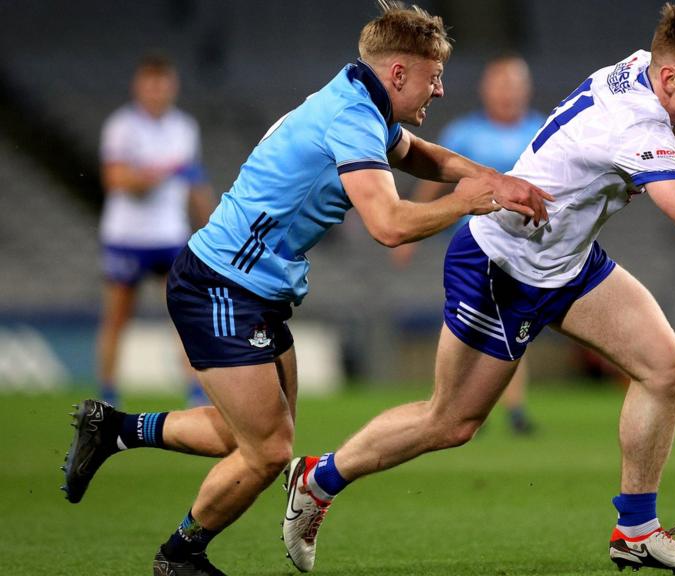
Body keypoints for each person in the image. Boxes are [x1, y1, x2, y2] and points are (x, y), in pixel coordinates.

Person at [282, 5, 675, 574]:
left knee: (667, 367)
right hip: (502, 264)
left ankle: (636, 532)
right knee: (450, 423)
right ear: (670, 79)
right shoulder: (636, 125)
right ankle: (317, 478)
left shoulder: (647, 70)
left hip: (565, 261)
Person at [61, 3, 552, 575]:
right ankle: (179, 556)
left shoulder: (362, 99)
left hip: (254, 291)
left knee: (240, 434)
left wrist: (487, 179)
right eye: (433, 75)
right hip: (222, 286)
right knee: (267, 451)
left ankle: (113, 428)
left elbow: (417, 154)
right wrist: (470, 200)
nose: (440, 90)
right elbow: (389, 226)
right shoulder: (351, 116)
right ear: (398, 73)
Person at [392, 54, 546, 435]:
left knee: (511, 321)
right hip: (474, 245)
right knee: (474, 322)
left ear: (525, 90)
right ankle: (457, 402)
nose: (508, 93)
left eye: (514, 84)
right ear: (487, 90)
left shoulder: (541, 129)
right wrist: (410, 227)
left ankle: (506, 406)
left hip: (525, 245)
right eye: (501, 84)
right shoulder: (465, 132)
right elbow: (433, 178)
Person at [97, 54, 214, 408]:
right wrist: (162, 171)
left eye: (163, 84)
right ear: (139, 86)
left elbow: (195, 181)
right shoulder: (122, 127)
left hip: (170, 234)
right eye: (151, 83)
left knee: (185, 314)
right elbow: (116, 180)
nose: (157, 91)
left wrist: (210, 225)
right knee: (118, 318)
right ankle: (107, 394)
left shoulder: (184, 127)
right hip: (127, 237)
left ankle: (195, 391)